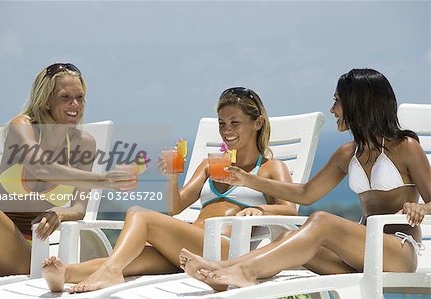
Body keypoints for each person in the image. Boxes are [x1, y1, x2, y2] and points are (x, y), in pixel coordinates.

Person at [180, 69, 431, 291]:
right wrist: (249, 180)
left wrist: (420, 207)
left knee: (321, 221)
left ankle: (243, 272)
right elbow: (306, 194)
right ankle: (222, 269)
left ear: (359, 103)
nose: (333, 109)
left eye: (337, 101)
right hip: (359, 255)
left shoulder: (405, 147)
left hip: (397, 251)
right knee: (289, 238)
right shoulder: (347, 154)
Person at [41, 87, 298, 293]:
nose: (226, 131)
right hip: (189, 249)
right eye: (221, 123)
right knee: (135, 259)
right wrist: (172, 177)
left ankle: (109, 272)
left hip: (226, 248)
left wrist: (259, 209)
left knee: (139, 214)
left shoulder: (271, 169)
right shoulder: (211, 165)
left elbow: (291, 210)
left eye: (234, 123)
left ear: (257, 123)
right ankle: (67, 273)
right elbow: (176, 207)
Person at [0, 63, 135, 279]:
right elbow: (41, 166)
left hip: (30, 247)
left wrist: (59, 213)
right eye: (65, 97)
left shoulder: (83, 143)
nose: (75, 104)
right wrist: (103, 179)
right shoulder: (22, 127)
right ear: (45, 100)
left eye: (80, 97)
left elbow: (80, 208)